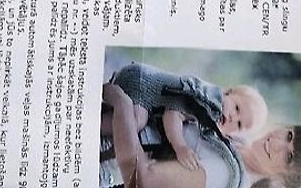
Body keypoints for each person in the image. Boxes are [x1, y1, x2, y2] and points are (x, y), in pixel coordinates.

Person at [102, 83, 301, 188]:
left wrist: (122, 105)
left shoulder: (228, 173)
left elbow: (143, 179)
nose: (277, 143)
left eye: (289, 157)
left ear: (287, 179)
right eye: (289, 136)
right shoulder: (239, 142)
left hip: (109, 155)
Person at [102, 62, 268, 171]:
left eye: (239, 125)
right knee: (137, 120)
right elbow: (172, 114)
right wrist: (180, 147)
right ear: (228, 92)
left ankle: (105, 138)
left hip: (145, 100)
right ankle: (98, 125)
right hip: (140, 82)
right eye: (237, 108)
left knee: (133, 136)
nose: (233, 117)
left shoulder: (212, 120)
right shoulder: (208, 99)